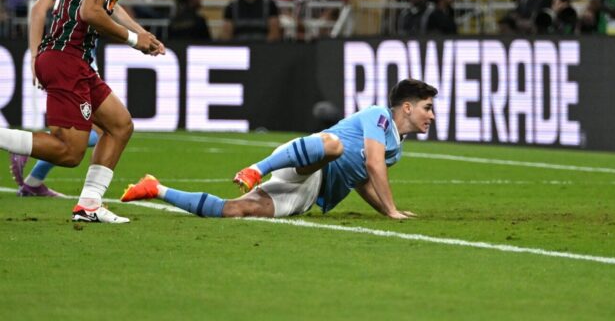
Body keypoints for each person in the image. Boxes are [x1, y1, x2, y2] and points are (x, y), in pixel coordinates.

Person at [0, 0, 165, 222]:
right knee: (69, 151)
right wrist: (134, 40)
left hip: (73, 59)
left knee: (119, 125)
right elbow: (88, 12)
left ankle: (89, 204)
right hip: (66, 57)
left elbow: (99, 6)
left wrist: (140, 33)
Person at [121, 79, 436, 220]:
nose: (431, 116)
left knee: (236, 210)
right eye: (427, 107)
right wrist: (392, 209)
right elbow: (373, 166)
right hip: (307, 157)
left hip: (310, 191)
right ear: (406, 107)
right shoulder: (380, 117)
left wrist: (384, 211)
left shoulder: (397, 147)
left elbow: (361, 179)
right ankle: (257, 168)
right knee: (334, 145)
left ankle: (155, 188)